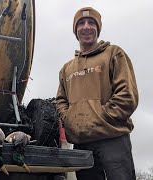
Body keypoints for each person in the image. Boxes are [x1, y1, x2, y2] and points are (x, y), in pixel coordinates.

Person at [55, 7, 139, 180]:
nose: (86, 27)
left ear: (98, 28)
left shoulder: (114, 54)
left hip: (113, 137)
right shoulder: (66, 69)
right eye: (81, 23)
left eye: (91, 23)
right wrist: (71, 120)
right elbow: (61, 100)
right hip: (82, 143)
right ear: (75, 31)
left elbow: (127, 95)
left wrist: (102, 117)